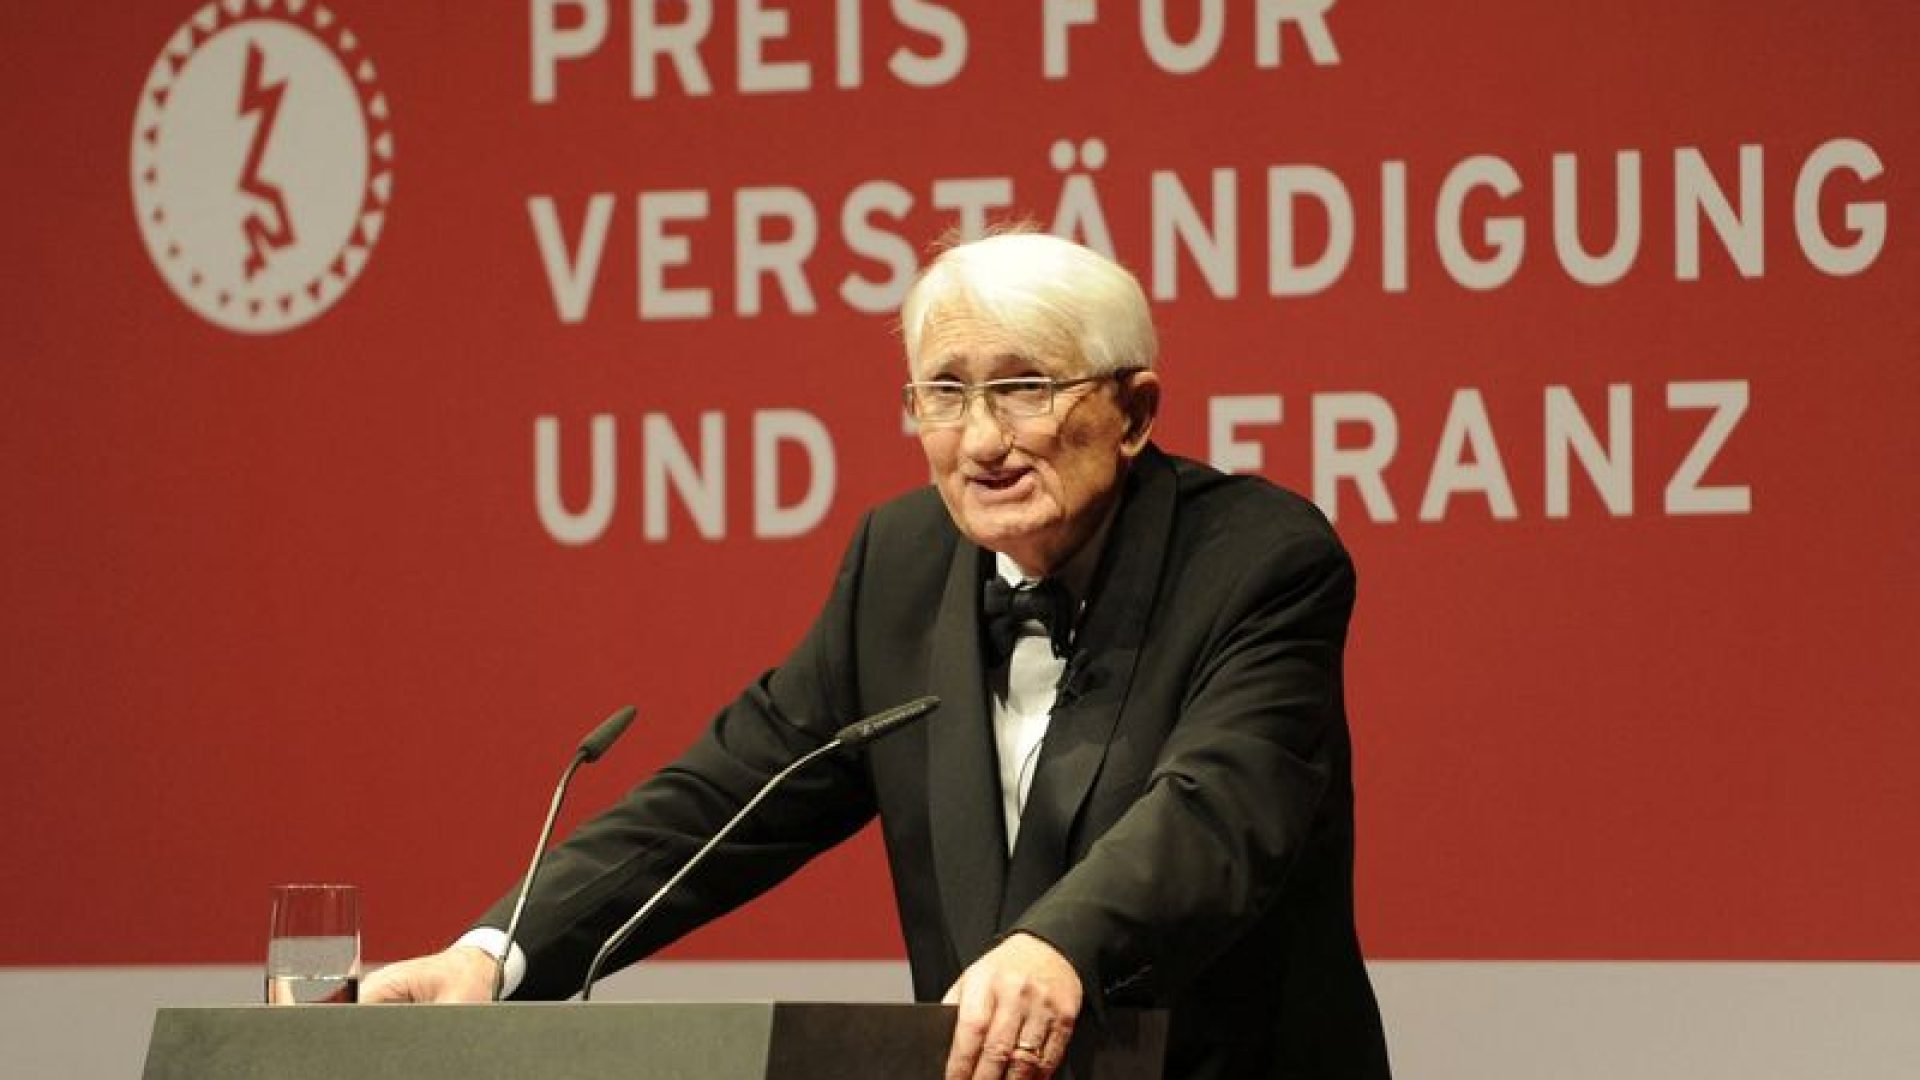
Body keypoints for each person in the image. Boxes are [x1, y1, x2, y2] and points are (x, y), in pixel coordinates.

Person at [363, 231, 1391, 1080]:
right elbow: (728, 798)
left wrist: (1056, 943)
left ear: (1133, 412)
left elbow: (1216, 806)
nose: (981, 440)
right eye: (942, 393)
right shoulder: (898, 564)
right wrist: (495, 956)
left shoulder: (1260, 559)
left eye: (1023, 388)